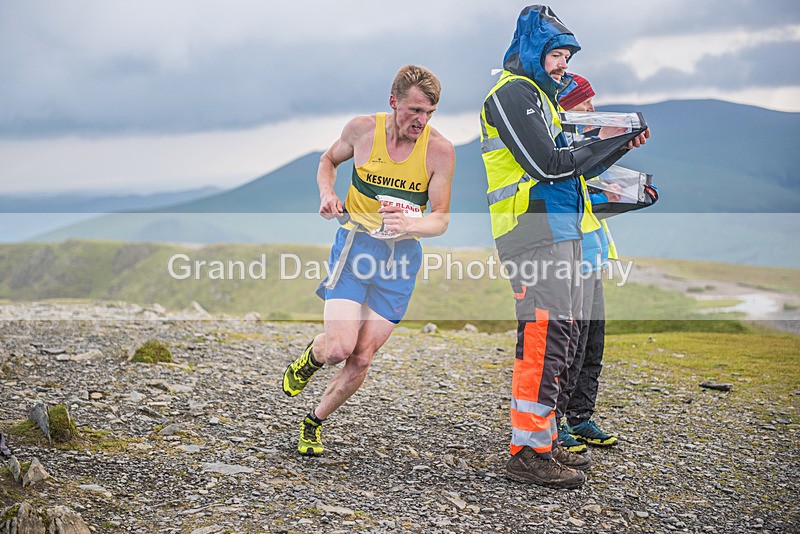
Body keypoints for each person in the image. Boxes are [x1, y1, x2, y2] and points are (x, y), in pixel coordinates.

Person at [479, 5, 648, 489]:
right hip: (531, 233)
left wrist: (620, 143)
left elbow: (576, 168)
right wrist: (607, 140)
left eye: (567, 56)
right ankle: (527, 451)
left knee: (564, 338)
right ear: (532, 52)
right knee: (544, 335)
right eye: (556, 54)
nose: (563, 65)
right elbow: (550, 164)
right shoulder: (512, 94)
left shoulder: (543, 98)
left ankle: (544, 439)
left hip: (562, 230)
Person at [282, 65, 456, 456]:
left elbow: (441, 218)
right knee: (340, 347)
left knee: (361, 358)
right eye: (414, 110)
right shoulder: (362, 130)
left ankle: (314, 421)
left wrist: (412, 221)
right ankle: (313, 356)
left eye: (429, 112)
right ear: (393, 102)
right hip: (356, 248)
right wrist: (327, 194)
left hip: (401, 261)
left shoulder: (440, 151)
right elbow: (328, 161)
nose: (421, 120)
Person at [556, 73, 658, 453]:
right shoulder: (557, 146)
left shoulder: (583, 145)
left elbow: (594, 180)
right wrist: (613, 144)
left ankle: (580, 417)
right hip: (569, 254)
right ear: (567, 108)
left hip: (592, 252)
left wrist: (633, 189)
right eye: (585, 104)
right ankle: (554, 420)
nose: (592, 111)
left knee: (592, 344)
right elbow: (576, 173)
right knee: (571, 344)